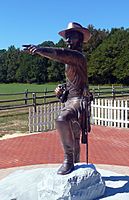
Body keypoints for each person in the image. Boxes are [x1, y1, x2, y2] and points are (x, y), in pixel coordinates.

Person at [23, 22, 91, 175]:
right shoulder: (70, 60)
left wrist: (40, 50)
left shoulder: (78, 56)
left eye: (71, 37)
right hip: (71, 99)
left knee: (62, 119)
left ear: (79, 39)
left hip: (79, 101)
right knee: (74, 135)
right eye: (66, 38)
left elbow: (58, 53)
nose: (67, 41)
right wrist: (62, 91)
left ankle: (68, 159)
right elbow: (74, 82)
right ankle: (76, 163)